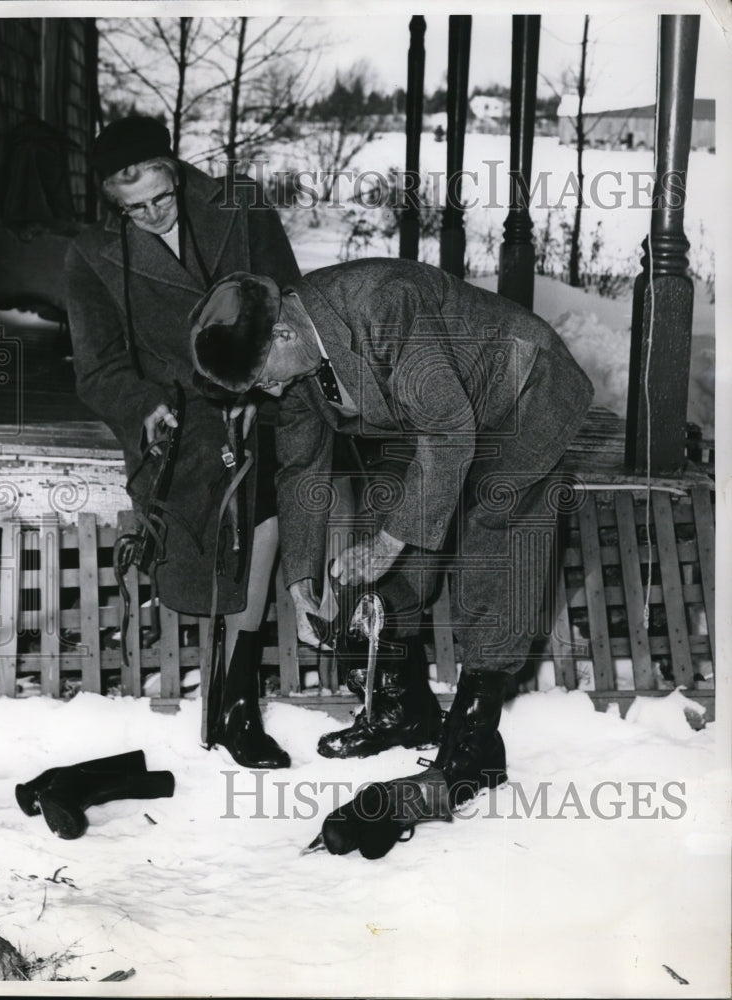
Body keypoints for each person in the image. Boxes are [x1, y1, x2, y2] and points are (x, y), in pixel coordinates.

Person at [190, 257, 594, 856]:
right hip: (442, 414)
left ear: (283, 333)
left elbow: (449, 431)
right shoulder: (297, 356)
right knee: (401, 522)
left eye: (265, 379)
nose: (271, 392)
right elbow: (302, 469)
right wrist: (302, 577)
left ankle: (474, 747)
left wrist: (387, 544)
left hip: (522, 392)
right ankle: (404, 711)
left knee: (495, 530)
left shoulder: (385, 304)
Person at [66, 116, 300, 769]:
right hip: (178, 409)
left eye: (159, 199)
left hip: (267, 386)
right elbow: (100, 369)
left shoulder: (239, 206)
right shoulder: (92, 255)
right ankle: (233, 698)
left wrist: (265, 380)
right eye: (131, 209)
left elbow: (290, 303)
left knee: (288, 490)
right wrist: (143, 409)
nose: (149, 213)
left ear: (173, 167)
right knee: (218, 508)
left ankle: (243, 697)